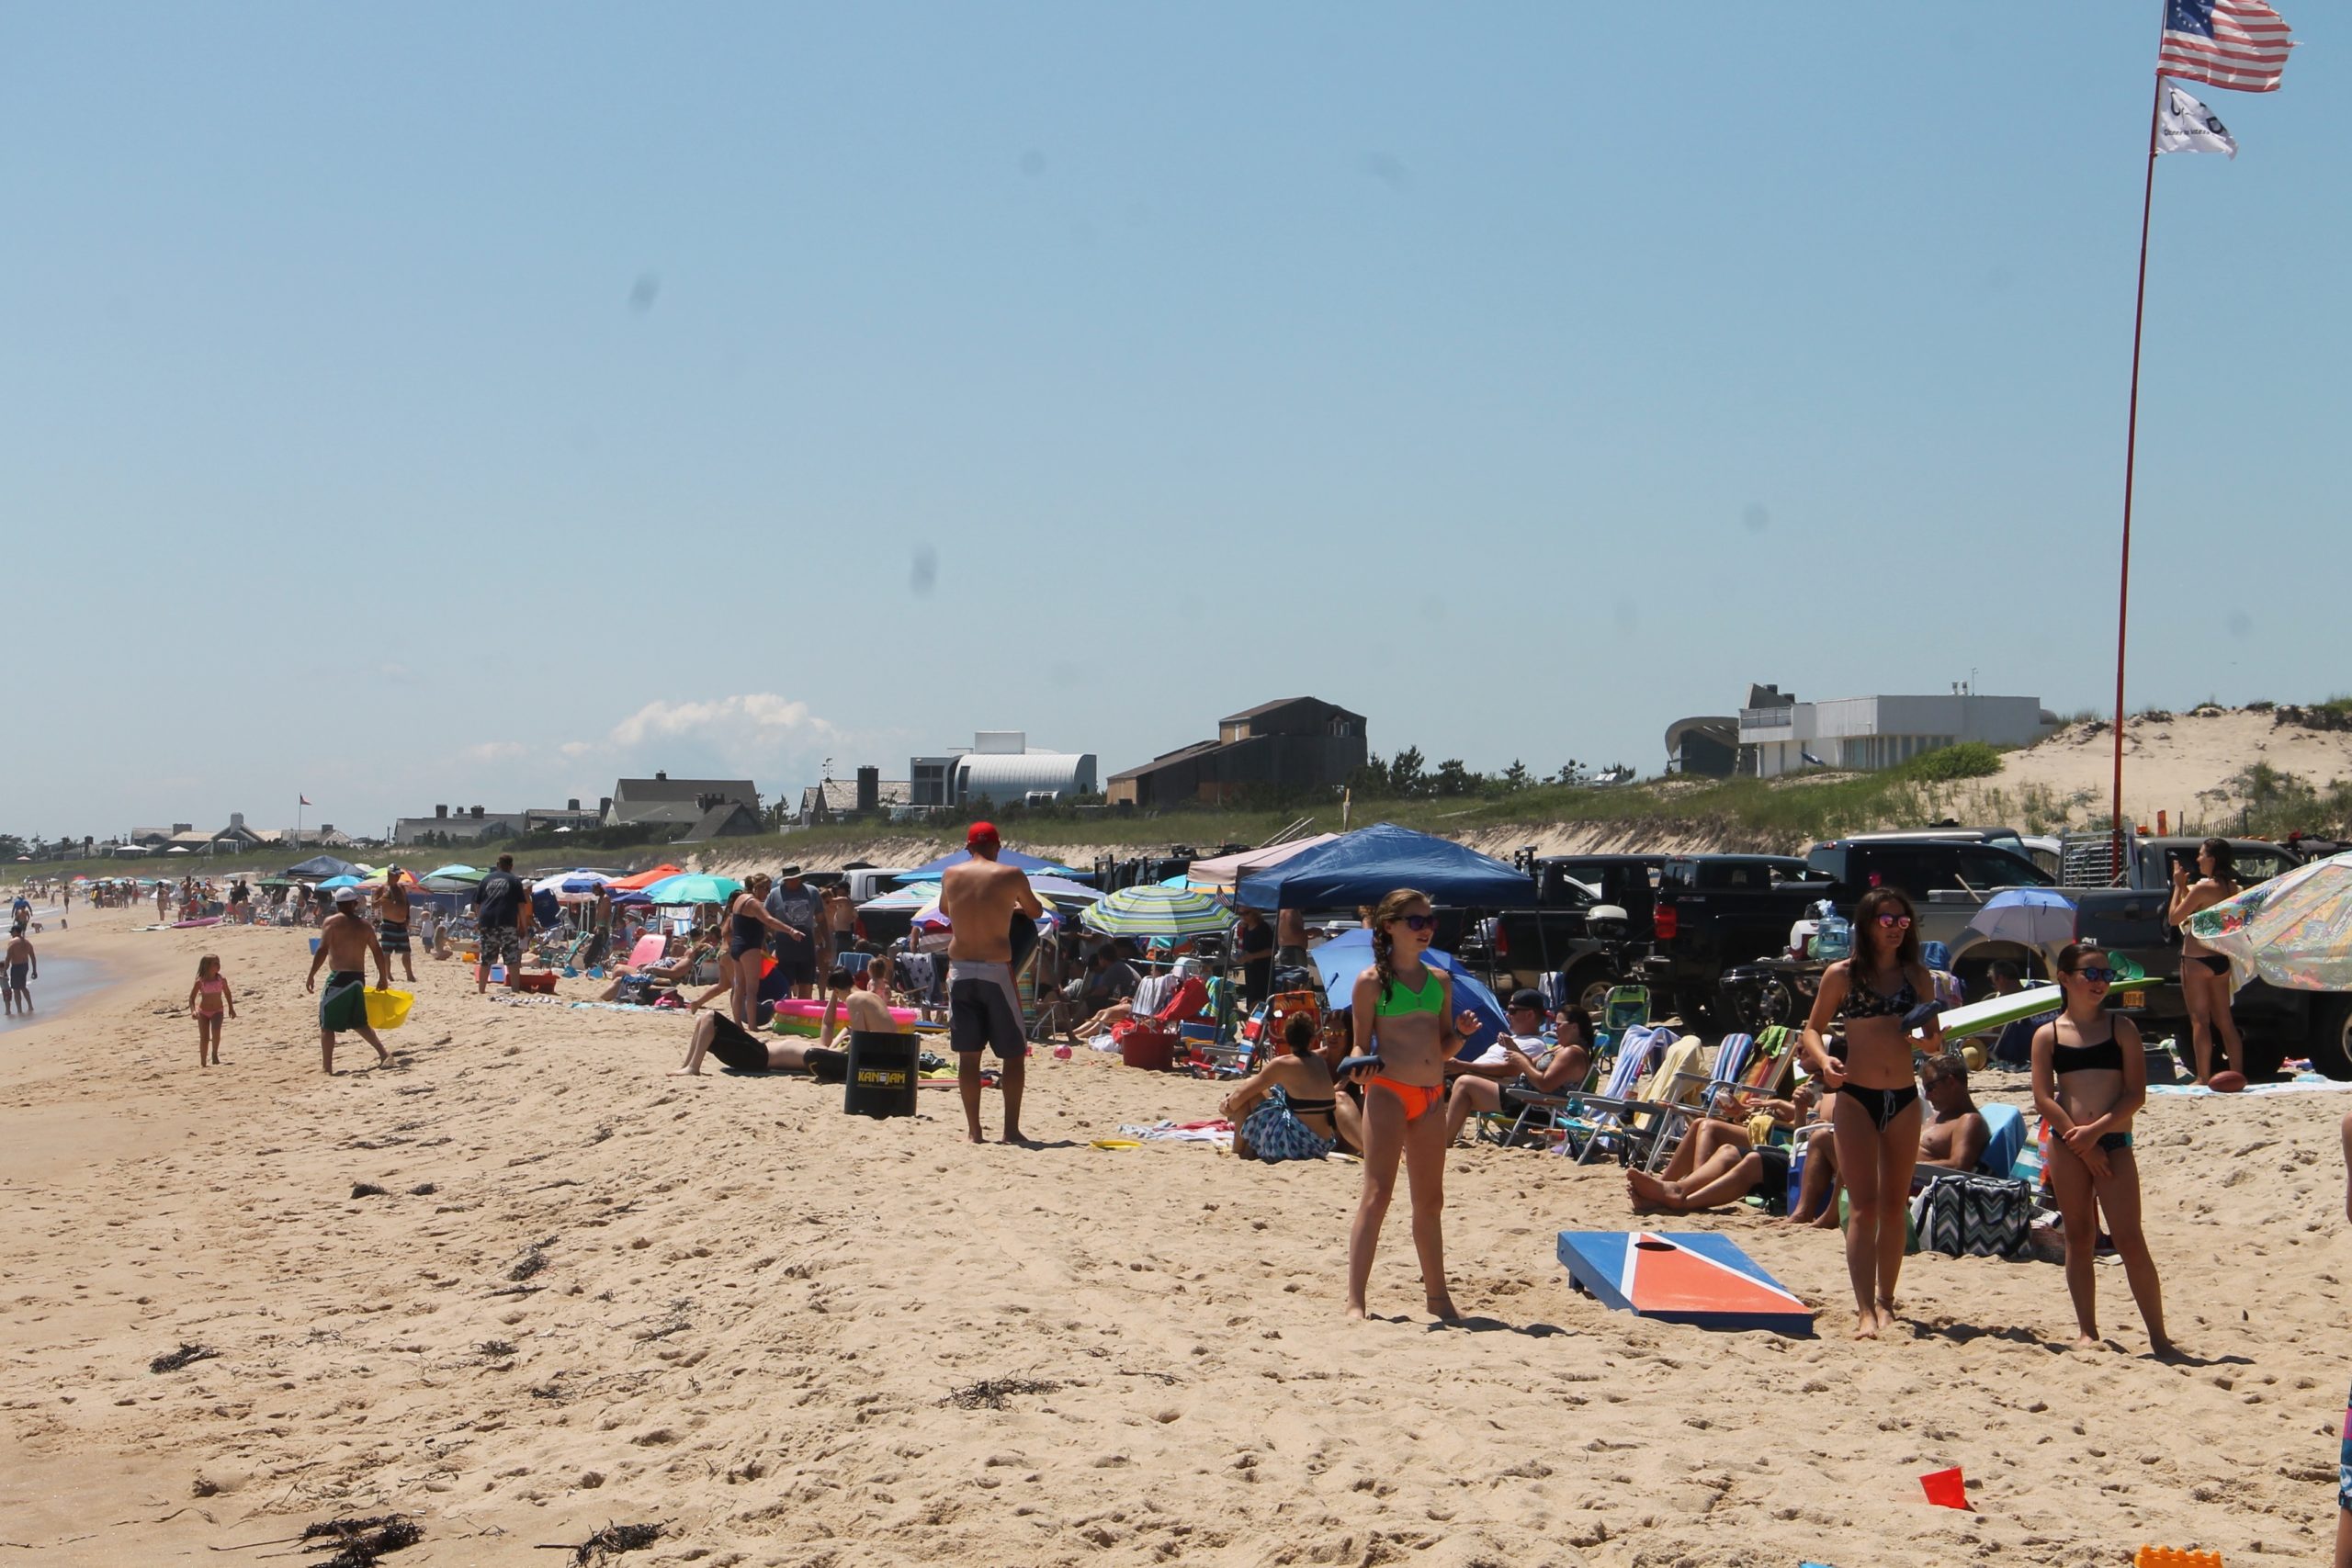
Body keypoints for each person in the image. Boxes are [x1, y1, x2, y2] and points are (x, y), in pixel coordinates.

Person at [1798, 885, 1944, 1339]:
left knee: (1894, 1206)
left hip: (1902, 1095)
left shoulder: (1918, 976)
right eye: (1887, 921)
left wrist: (1926, 1044)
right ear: (1867, 924)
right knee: (1862, 1206)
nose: (1897, 929)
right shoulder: (1842, 975)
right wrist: (1824, 1062)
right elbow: (1812, 1029)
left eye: (1903, 921)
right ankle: (1864, 1309)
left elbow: (1934, 1039)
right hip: (1857, 1095)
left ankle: (1886, 1301)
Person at [1343, 887, 1481, 1322]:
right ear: (1390, 927)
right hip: (1386, 1090)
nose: (1426, 929)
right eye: (1415, 922)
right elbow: (1360, 1045)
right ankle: (1355, 1301)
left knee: (1430, 1201)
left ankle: (1437, 1299)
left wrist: (1459, 1034)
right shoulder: (1371, 982)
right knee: (1378, 1194)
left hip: (1430, 1095)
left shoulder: (1440, 980)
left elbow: (1442, 1050)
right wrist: (1356, 1067)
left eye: (1430, 921)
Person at [2031, 942, 2171, 1355]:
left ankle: (2159, 1338)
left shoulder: (2121, 1028)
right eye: (2090, 974)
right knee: (2079, 1237)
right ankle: (2087, 1331)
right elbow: (2044, 1098)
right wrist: (2079, 1138)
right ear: (2065, 978)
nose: (2100, 983)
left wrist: (2095, 1133)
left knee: (2130, 1239)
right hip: (2067, 1141)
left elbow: (2135, 1095)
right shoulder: (2048, 1034)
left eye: (2106, 975)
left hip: (2111, 1140)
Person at [1794, 1053, 1989, 1227]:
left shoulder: (1968, 1121)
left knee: (1854, 1158)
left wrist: (1899, 1167)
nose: (1927, 1096)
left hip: (1910, 1183)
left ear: (1951, 1082)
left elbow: (1958, 1166)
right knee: (1821, 1138)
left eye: (1930, 1087)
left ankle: (1829, 1218)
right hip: (1892, 1172)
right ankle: (1802, 1212)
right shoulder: (1937, 1117)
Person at [938, 822, 1044, 1144]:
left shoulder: (951, 875)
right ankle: (1010, 1130)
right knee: (1012, 1054)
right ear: (998, 847)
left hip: (960, 970)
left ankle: (974, 1131)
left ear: (968, 847)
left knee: (969, 1056)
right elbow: (1035, 911)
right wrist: (1009, 907)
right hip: (996, 969)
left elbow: (945, 910)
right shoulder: (1010, 874)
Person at [1626, 1082, 1824, 1214]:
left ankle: (1686, 1192)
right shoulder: (1814, 1085)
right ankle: (1664, 1186)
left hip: (1781, 1139)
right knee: (1712, 1135)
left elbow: (1805, 1135)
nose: (1798, 1057)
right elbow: (1800, 1127)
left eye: (1803, 1053)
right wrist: (1743, 1112)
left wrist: (1781, 1104)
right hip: (1777, 1135)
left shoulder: (1827, 1093)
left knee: (1711, 1128)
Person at [1443, 998, 1596, 1146]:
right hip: (1526, 1098)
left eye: (1559, 1025)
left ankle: (1444, 1141)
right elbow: (1530, 1063)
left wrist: (1521, 1062)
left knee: (1465, 1084)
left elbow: (1545, 1084)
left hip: (1538, 1106)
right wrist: (1513, 1047)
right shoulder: (1561, 1048)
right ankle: (1445, 1136)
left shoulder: (1572, 1054)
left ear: (1575, 1027)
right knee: (1463, 1082)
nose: (1555, 1029)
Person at [2166, 837, 2245, 1083]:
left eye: (2201, 854)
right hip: (2221, 959)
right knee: (2225, 1021)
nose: (2198, 859)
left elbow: (2174, 918)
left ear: (2211, 859)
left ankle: (2202, 1075)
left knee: (2200, 1020)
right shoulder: (2233, 888)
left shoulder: (2202, 888)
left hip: (2197, 959)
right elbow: (2206, 911)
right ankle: (2237, 1073)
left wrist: (2179, 886)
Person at [1221, 1010, 1341, 1161]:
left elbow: (1240, 1096)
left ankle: (1237, 1151)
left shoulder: (1282, 1064)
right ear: (1312, 1038)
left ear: (1286, 1036)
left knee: (1250, 1090)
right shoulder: (1318, 1061)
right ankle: (1247, 1149)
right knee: (1267, 1092)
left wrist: (1226, 1107)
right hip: (1321, 1145)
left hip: (1296, 1145)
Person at [305, 886, 391, 1073]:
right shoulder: (365, 925)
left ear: (337, 904)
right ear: (354, 904)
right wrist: (383, 977)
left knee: (327, 1025)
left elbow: (322, 950)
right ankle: (384, 1054)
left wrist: (311, 974)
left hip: (339, 978)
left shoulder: (331, 923)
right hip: (358, 979)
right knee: (359, 1022)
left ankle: (326, 1068)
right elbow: (377, 951)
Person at [672, 1007, 848, 1078]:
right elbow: (829, 1025)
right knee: (703, 1018)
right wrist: (847, 1031)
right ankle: (688, 1064)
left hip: (759, 1056)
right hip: (757, 1051)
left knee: (710, 1016)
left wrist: (849, 1044)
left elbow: (836, 1053)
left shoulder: (822, 1054)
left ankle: (693, 1067)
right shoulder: (823, 1047)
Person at [724, 874, 800, 1026]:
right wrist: (791, 930)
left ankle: (738, 1024)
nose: (768, 892)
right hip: (749, 947)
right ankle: (752, 1025)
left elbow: (732, 926)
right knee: (752, 989)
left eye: (769, 889)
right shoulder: (753, 902)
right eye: (766, 888)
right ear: (756, 887)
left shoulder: (739, 899)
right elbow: (769, 920)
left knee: (739, 987)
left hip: (737, 946)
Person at [764, 865, 825, 1001]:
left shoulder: (812, 892)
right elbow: (765, 920)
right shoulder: (774, 895)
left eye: (796, 878)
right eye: (790, 879)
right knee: (784, 987)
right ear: (784, 880)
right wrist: (764, 944)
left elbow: (822, 920)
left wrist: (827, 944)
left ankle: (802, 1018)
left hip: (806, 946)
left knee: (806, 986)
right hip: (784, 947)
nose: (794, 882)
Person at [472, 854, 529, 996]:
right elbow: (521, 906)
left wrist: (479, 922)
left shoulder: (486, 879)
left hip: (487, 920)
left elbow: (477, 905)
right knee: (511, 958)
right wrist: (523, 926)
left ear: (497, 864)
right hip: (507, 920)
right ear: (511, 866)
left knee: (486, 958)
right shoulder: (515, 881)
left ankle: (482, 990)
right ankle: (515, 989)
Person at [818, 964, 901, 1047]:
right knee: (848, 1030)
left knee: (848, 1034)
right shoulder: (873, 996)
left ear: (836, 991)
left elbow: (859, 1040)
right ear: (853, 980)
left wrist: (842, 1049)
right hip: (893, 1046)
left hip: (883, 1052)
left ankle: (829, 1053)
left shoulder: (853, 999)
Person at [1066, 945, 1140, 1037]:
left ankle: (1074, 1027)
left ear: (1102, 958)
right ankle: (1075, 1032)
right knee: (1100, 1011)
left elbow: (1103, 990)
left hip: (1128, 1002)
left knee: (1090, 1001)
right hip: (1128, 1000)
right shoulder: (1120, 966)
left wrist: (1087, 995)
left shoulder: (1113, 968)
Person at [187, 953, 235, 1066]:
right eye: (215, 963)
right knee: (204, 1038)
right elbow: (191, 998)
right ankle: (203, 1061)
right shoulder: (200, 981)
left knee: (216, 1031)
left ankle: (214, 1054)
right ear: (207, 966)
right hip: (203, 1012)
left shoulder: (221, 980)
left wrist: (231, 1008)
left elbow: (228, 993)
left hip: (217, 1010)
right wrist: (193, 1011)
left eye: (219, 962)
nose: (218, 965)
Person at [377, 865, 416, 984]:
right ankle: (388, 974)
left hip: (401, 924)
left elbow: (406, 903)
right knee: (387, 952)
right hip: (388, 923)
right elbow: (374, 905)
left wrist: (408, 917)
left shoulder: (401, 888)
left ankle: (409, 974)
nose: (398, 877)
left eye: (399, 875)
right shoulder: (382, 888)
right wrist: (383, 899)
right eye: (396, 875)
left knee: (406, 951)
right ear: (390, 874)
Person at [1234, 906, 1275, 1008]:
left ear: (1255, 912)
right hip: (1251, 973)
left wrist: (1251, 956)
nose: (1243, 916)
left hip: (1263, 974)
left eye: (1246, 913)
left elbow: (1272, 950)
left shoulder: (1263, 928)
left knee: (1260, 1005)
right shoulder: (1246, 929)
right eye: (1240, 914)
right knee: (1251, 1005)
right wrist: (1241, 956)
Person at [4, 923, 34, 1016]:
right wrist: (34, 970)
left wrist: (5, 971)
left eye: (12, 932)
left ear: (16, 932)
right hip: (25, 966)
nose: (11, 934)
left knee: (16, 989)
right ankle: (30, 1006)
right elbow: (33, 957)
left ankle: (19, 1010)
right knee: (23, 986)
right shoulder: (27, 942)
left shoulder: (12, 942)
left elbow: (8, 958)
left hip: (16, 967)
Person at [1275, 905, 1312, 975]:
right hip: (1293, 953)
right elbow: (1294, 933)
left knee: (1294, 980)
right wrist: (1313, 931)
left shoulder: (1286, 909)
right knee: (1296, 980)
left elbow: (1289, 933)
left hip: (1291, 951)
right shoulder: (1290, 910)